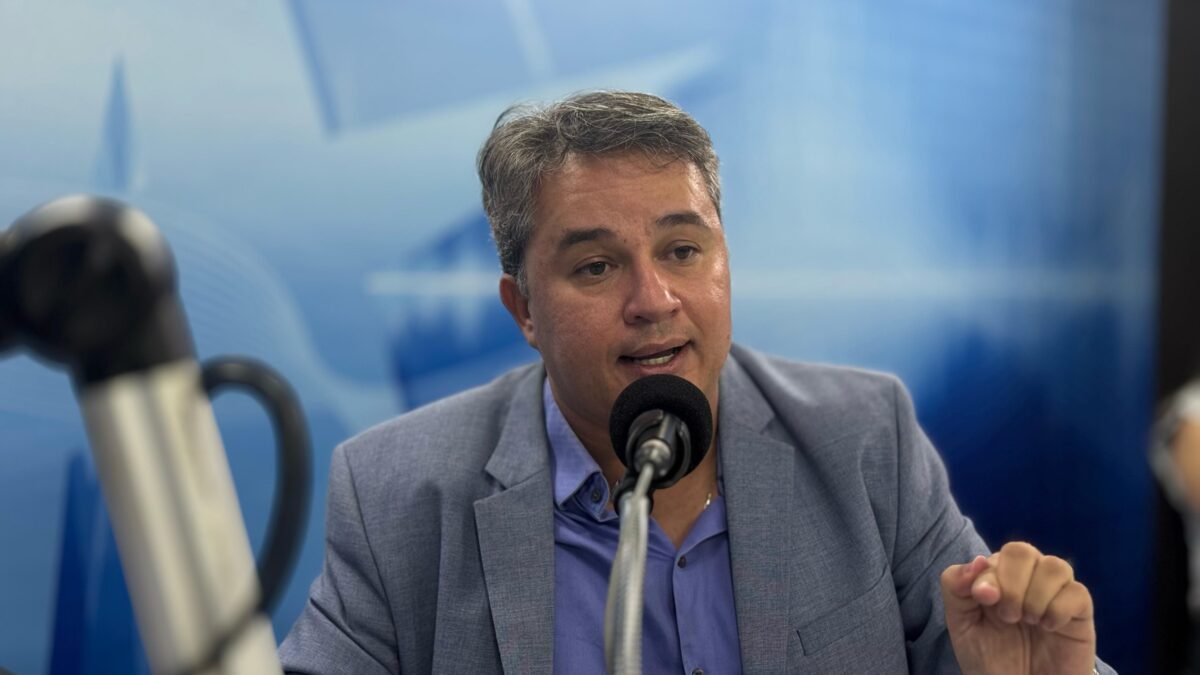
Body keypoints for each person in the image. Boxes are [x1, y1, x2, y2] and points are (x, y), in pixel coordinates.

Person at [279, 91, 1111, 674]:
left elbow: (997, 653)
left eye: (682, 250)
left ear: (725, 261)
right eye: (597, 266)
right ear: (524, 309)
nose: (654, 300)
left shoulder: (864, 441)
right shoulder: (397, 494)